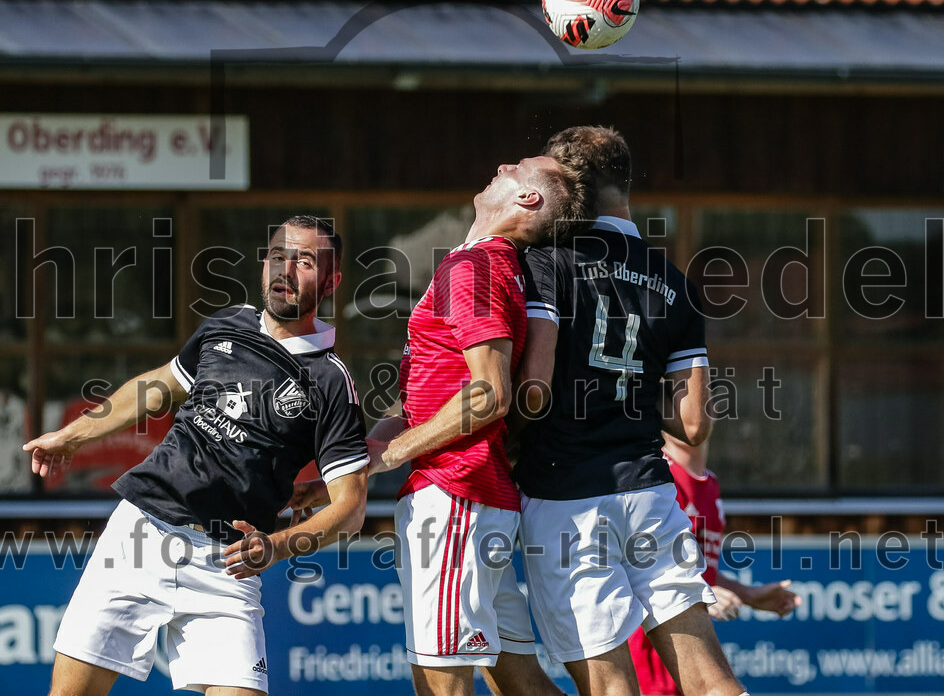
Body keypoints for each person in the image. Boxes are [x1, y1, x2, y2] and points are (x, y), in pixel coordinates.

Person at [23, 215, 369, 696]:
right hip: (141, 534)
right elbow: (157, 387)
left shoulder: (332, 381)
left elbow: (349, 509)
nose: (285, 269)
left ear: (331, 281)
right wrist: (73, 434)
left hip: (230, 562)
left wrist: (276, 546)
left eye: (305, 261)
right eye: (277, 255)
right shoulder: (225, 324)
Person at [295, 155, 589, 696]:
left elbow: (491, 393)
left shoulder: (475, 266)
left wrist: (400, 450)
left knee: (440, 684)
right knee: (522, 683)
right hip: (473, 495)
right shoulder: (480, 264)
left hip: (454, 495)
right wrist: (348, 474)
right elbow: (422, 408)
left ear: (528, 199)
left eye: (518, 167)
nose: (501, 164)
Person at [513, 125, 750, 696]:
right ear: (624, 185)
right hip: (650, 493)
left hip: (564, 495)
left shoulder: (546, 263)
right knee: (710, 678)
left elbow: (533, 389)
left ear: (566, 183)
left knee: (610, 686)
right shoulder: (675, 282)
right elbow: (692, 423)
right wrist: (633, 394)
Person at [629, 431, 801, 696]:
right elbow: (632, 563)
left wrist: (749, 595)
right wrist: (698, 595)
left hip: (692, 652)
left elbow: (699, 570)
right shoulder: (652, 474)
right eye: (677, 394)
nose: (697, 405)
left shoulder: (710, 483)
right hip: (651, 656)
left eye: (706, 394)